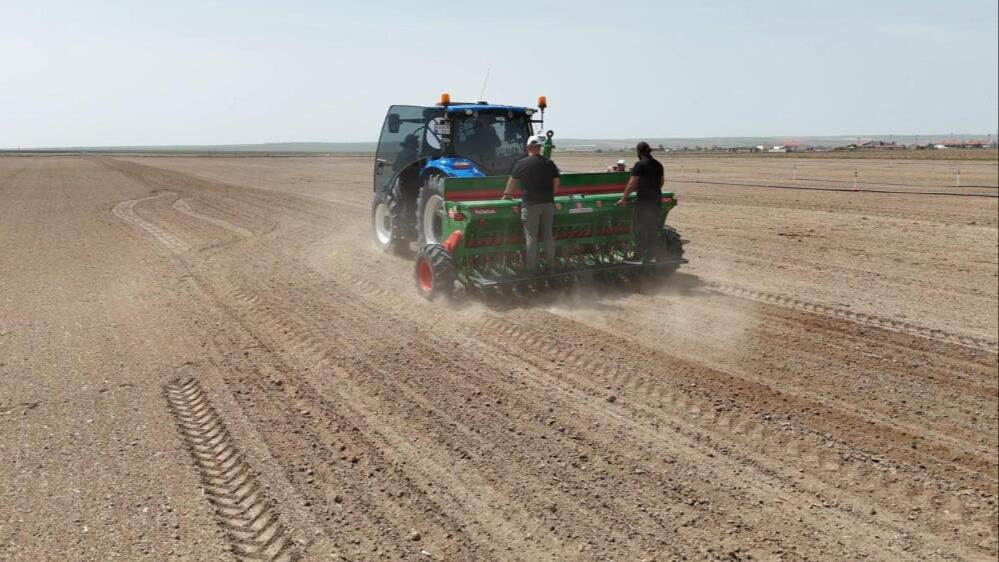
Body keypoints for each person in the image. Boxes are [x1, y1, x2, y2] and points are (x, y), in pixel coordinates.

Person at [503, 136, 561, 272]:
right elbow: (556, 182)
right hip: (548, 204)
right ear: (539, 148)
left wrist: (506, 195)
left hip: (530, 205)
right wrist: (551, 196)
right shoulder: (549, 163)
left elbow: (512, 182)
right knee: (548, 235)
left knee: (531, 238)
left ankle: (531, 269)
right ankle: (551, 266)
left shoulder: (521, 163)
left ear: (528, 147)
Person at [616, 141, 664, 263]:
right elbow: (661, 182)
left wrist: (624, 198)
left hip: (644, 202)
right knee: (652, 228)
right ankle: (651, 256)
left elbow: (632, 183)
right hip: (656, 201)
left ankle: (638, 257)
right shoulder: (658, 165)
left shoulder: (639, 165)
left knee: (640, 229)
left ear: (639, 152)